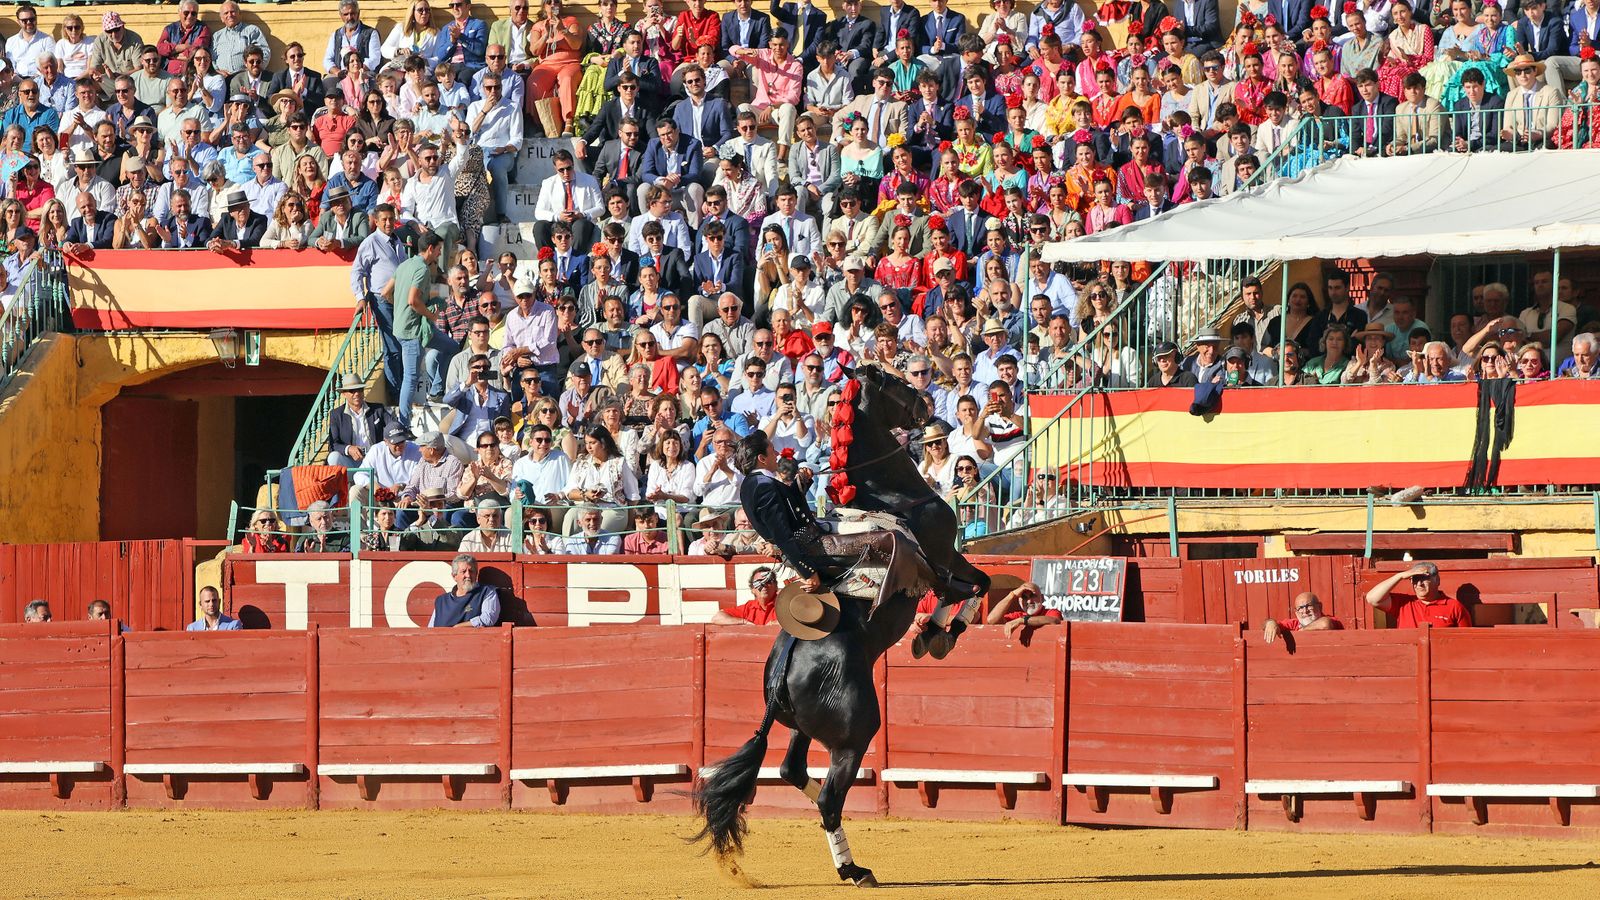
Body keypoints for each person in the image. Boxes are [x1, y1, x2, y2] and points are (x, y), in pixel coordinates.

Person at [1365, 561, 1473, 628]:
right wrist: (1400, 576)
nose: (1419, 584)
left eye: (1424, 578)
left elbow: (1466, 641)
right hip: (1408, 658)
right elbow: (1372, 598)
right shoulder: (1404, 603)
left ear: (1437, 580)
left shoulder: (1454, 607)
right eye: (1415, 579)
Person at [428, 554, 502, 627]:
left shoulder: (486, 592)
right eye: (463, 571)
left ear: (476, 574)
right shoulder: (441, 601)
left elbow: (488, 619)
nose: (468, 575)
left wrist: (459, 627)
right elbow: (430, 629)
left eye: (471, 571)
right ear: (454, 576)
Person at [983, 580, 1061, 641]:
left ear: (1042, 598)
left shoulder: (1050, 612)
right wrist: (1012, 595)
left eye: (1033, 596)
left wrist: (1022, 620)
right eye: (1024, 597)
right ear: (1019, 601)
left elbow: (1054, 621)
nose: (1029, 601)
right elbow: (991, 620)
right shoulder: (1017, 616)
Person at [1262, 591, 1344, 643]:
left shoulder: (1332, 620)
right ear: (1296, 612)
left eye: (1309, 606)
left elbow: (1325, 624)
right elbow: (1267, 624)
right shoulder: (1294, 623)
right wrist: (1271, 623)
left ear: (1320, 607)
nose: (1305, 611)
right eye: (1300, 608)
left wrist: (1302, 630)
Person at [710, 566, 782, 624]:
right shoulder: (749, 607)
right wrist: (743, 622)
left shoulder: (783, 604)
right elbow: (717, 617)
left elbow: (789, 622)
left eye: (768, 581)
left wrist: (776, 623)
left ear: (776, 586)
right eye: (759, 582)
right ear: (753, 589)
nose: (764, 585)